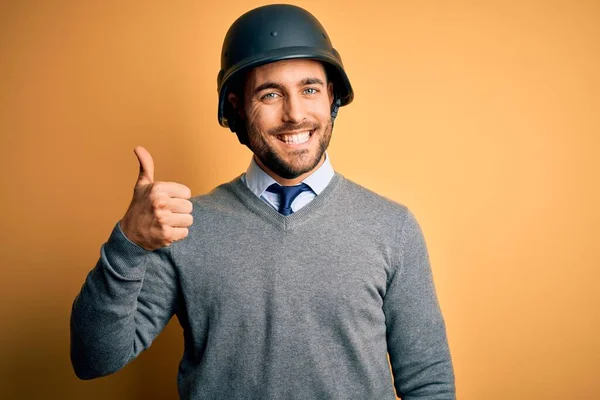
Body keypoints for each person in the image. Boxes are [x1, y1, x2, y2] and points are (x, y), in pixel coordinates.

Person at [70, 4, 456, 399]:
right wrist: (128, 244)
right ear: (237, 106)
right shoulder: (185, 226)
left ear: (332, 97)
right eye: (271, 94)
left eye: (310, 89)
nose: (295, 114)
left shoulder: (392, 227)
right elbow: (93, 360)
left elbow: (428, 382)